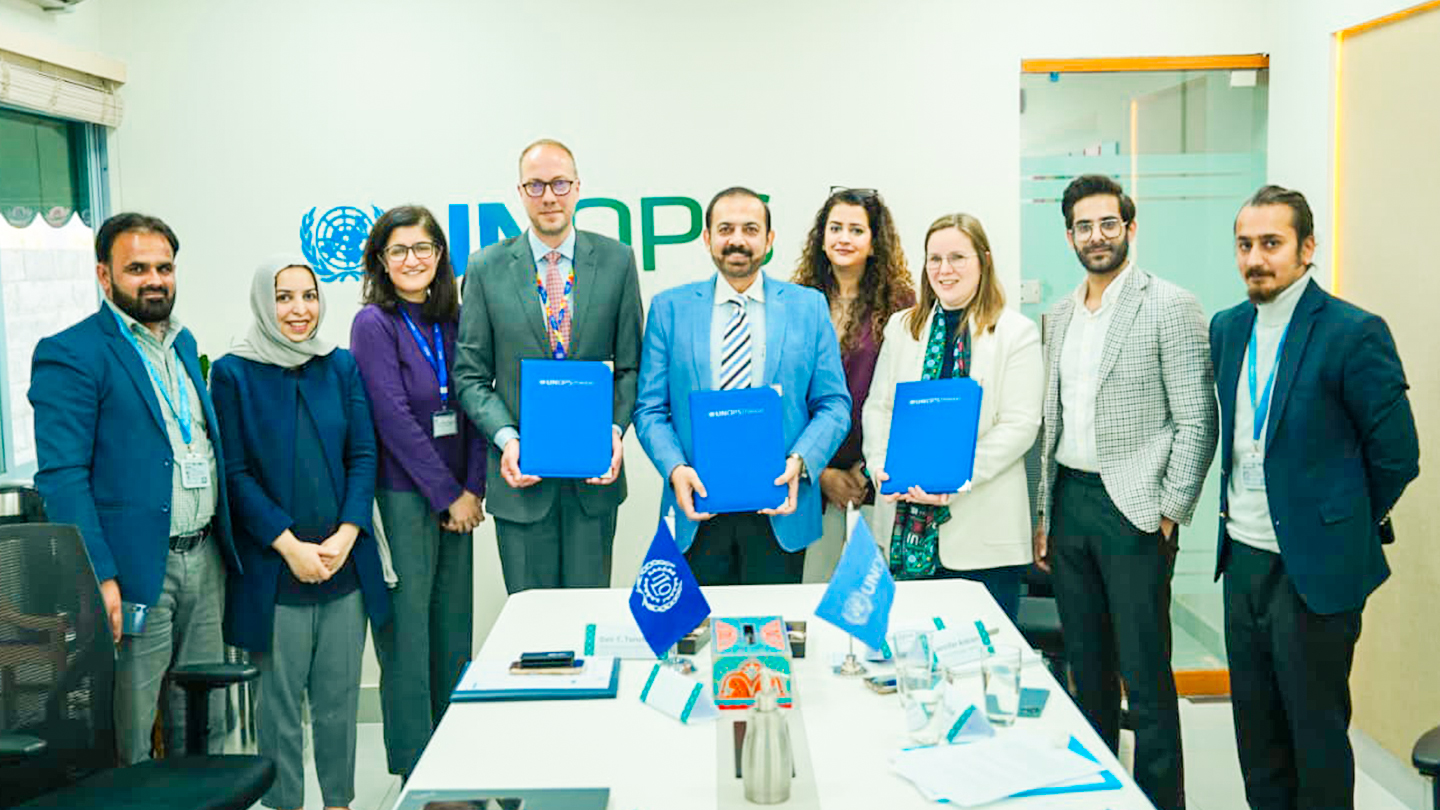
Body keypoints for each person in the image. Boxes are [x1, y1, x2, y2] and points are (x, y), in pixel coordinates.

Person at [1212, 185, 1418, 810]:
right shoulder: (1228, 328)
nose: (1256, 258)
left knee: (1315, 731)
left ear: (1307, 248)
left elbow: (1397, 457)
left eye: (1272, 244)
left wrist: (1336, 523)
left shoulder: (1352, 333)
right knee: (1256, 730)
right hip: (1244, 558)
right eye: (1245, 245)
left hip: (1315, 571)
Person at [1032, 174, 1217, 810]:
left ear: (1130, 229)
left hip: (1135, 511)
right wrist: (1045, 514)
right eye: (1084, 226)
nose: (1097, 236)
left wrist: (1170, 511)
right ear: (1069, 236)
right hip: (1072, 505)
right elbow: (1050, 423)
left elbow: (1198, 417)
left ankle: (1163, 800)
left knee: (1145, 674)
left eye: (1108, 223)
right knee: (1086, 669)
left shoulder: (1170, 304)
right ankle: (1101, 794)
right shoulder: (1056, 316)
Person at [29, 212, 240, 763]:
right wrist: (101, 577)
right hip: (135, 571)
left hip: (205, 558)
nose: (154, 279)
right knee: (132, 731)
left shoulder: (181, 344)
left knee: (205, 721)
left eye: (164, 267)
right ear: (105, 276)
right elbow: (62, 476)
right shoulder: (72, 352)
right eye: (137, 268)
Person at [210, 258, 391, 810]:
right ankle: (285, 804)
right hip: (275, 570)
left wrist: (345, 533)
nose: (298, 310)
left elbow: (363, 454)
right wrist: (288, 545)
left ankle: (338, 802)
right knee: (280, 706)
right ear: (265, 303)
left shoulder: (338, 367)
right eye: (284, 297)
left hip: (343, 564)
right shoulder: (232, 372)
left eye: (308, 296)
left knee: (337, 701)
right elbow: (233, 473)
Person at [634, 186, 851, 585]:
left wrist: (801, 462)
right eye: (725, 229)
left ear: (769, 240)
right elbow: (649, 409)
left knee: (773, 638)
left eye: (750, 229)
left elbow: (834, 404)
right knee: (697, 641)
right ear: (707, 238)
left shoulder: (808, 307)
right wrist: (675, 468)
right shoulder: (670, 309)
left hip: (779, 507)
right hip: (697, 506)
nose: (737, 240)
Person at [454, 139, 643, 592]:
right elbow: (471, 375)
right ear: (520, 192)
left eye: (559, 183)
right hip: (521, 480)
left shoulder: (617, 261)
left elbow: (631, 368)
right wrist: (507, 438)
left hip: (594, 480)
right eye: (536, 185)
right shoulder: (485, 267)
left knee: (587, 619)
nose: (549, 196)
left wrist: (614, 432)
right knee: (531, 627)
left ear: (578, 188)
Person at [351, 204, 488, 780]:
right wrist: (445, 495)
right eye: (399, 250)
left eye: (423, 248)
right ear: (381, 260)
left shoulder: (454, 321)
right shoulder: (373, 324)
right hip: (405, 497)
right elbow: (392, 417)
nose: (412, 260)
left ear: (440, 256)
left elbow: (477, 400)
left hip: (460, 497)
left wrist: (475, 489)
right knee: (407, 641)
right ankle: (417, 774)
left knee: (453, 634)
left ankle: (455, 763)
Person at [862, 213, 1041, 620]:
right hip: (904, 525)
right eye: (934, 259)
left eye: (958, 257)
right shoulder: (902, 327)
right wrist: (879, 465)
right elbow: (879, 407)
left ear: (984, 261)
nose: (945, 270)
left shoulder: (1016, 333)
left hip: (984, 535)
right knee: (911, 657)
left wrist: (955, 478)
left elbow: (1019, 427)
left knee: (982, 664)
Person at [791, 188, 915, 582]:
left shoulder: (903, 306)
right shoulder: (795, 302)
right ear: (821, 238)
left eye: (856, 230)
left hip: (873, 480)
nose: (844, 238)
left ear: (875, 242)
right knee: (811, 594)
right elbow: (786, 396)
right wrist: (822, 471)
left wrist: (866, 470)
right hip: (809, 476)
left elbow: (907, 395)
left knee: (867, 602)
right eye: (836, 228)